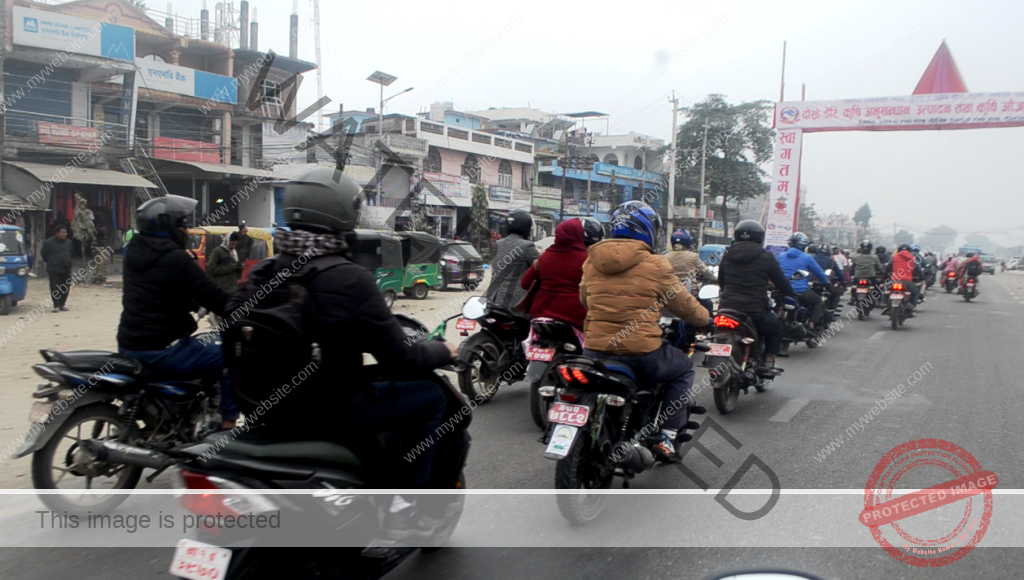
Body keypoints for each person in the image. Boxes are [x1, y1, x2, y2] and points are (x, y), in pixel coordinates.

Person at [579, 201, 709, 460]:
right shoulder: (657, 264)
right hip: (640, 353)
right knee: (683, 367)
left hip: (594, 350)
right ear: (648, 230)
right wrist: (705, 319)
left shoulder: (591, 260)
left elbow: (585, 299)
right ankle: (667, 436)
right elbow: (683, 305)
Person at [117, 196, 239, 429]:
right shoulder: (175, 259)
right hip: (162, 350)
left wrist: (192, 304)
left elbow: (160, 291)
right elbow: (213, 296)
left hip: (129, 344)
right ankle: (228, 427)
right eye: (182, 224)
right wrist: (249, 308)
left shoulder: (133, 252)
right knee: (230, 353)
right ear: (169, 227)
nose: (186, 230)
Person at [717, 220, 795, 372]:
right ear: (760, 237)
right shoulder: (766, 256)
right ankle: (768, 361)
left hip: (727, 308)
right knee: (776, 328)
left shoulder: (727, 254)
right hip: (755, 310)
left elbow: (722, 281)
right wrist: (791, 294)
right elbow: (781, 281)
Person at [519, 218, 595, 330]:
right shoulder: (587, 259)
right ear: (579, 234)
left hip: (541, 314)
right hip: (576, 317)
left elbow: (525, 284)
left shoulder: (544, 257)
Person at [486, 210, 540, 312]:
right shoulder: (527, 246)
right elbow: (543, 267)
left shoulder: (496, 245)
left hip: (493, 301)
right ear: (526, 227)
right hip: (516, 305)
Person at [776, 232, 831, 330]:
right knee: (818, 300)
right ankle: (812, 323)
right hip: (800, 290)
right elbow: (819, 273)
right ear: (803, 245)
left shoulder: (781, 255)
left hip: (782, 289)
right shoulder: (807, 257)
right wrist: (827, 284)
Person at [205, 232, 244, 327]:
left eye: (235, 244)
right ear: (226, 241)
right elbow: (211, 269)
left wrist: (239, 268)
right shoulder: (217, 251)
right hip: (221, 289)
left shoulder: (233, 253)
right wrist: (231, 267)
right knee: (219, 317)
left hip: (232, 288)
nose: (233, 246)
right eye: (232, 244)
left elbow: (235, 271)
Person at [666, 229, 716, 299]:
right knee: (708, 304)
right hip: (690, 294)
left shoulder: (665, 257)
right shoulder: (693, 256)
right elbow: (706, 272)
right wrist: (714, 279)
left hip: (669, 294)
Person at [41, 225, 74, 313]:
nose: (64, 234)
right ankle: (56, 305)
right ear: (57, 233)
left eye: (65, 232)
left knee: (65, 287)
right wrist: (51, 262)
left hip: (66, 268)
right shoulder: (48, 243)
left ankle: (62, 304)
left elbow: (71, 253)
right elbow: (44, 254)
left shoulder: (69, 242)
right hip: (54, 268)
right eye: (62, 232)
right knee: (55, 287)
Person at [885, 244, 922, 315]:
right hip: (907, 281)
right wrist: (921, 277)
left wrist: (886, 277)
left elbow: (888, 268)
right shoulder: (913, 258)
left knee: (885, 289)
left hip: (894, 280)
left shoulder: (894, 257)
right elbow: (918, 270)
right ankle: (913, 307)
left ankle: (884, 303)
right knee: (915, 292)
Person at [849, 240, 886, 307]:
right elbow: (879, 267)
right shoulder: (874, 257)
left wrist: (851, 273)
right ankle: (878, 300)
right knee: (878, 288)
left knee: (853, 286)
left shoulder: (856, 256)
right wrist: (882, 272)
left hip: (858, 276)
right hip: (871, 276)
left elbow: (852, 267)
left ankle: (852, 298)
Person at [811, 243, 844, 310]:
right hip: (826, 283)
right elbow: (839, 274)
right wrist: (842, 279)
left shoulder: (812, 259)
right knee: (836, 293)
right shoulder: (831, 261)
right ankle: (832, 309)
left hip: (812, 284)